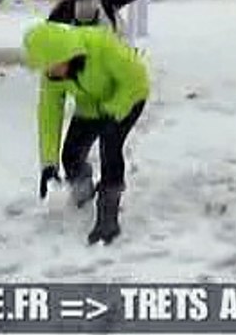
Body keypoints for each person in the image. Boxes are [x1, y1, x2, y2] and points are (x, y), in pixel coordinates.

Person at [22, 20, 150, 245]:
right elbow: (49, 115)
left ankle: (107, 212)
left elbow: (137, 80)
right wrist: (49, 165)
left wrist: (113, 112)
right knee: (71, 154)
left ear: (62, 54)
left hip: (128, 97)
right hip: (91, 106)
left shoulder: (101, 45)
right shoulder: (54, 75)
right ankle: (83, 195)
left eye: (49, 65)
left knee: (110, 146)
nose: (47, 72)